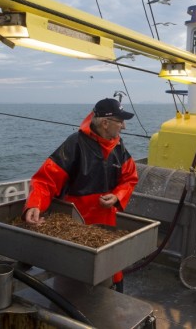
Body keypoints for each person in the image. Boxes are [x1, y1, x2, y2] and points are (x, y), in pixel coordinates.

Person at [23, 97, 138, 292]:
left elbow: (130, 178)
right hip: (76, 222)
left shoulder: (119, 146)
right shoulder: (75, 144)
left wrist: (117, 196)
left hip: (106, 222)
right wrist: (35, 204)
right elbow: (45, 179)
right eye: (120, 121)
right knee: (74, 277)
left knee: (110, 271)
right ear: (105, 123)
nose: (124, 126)